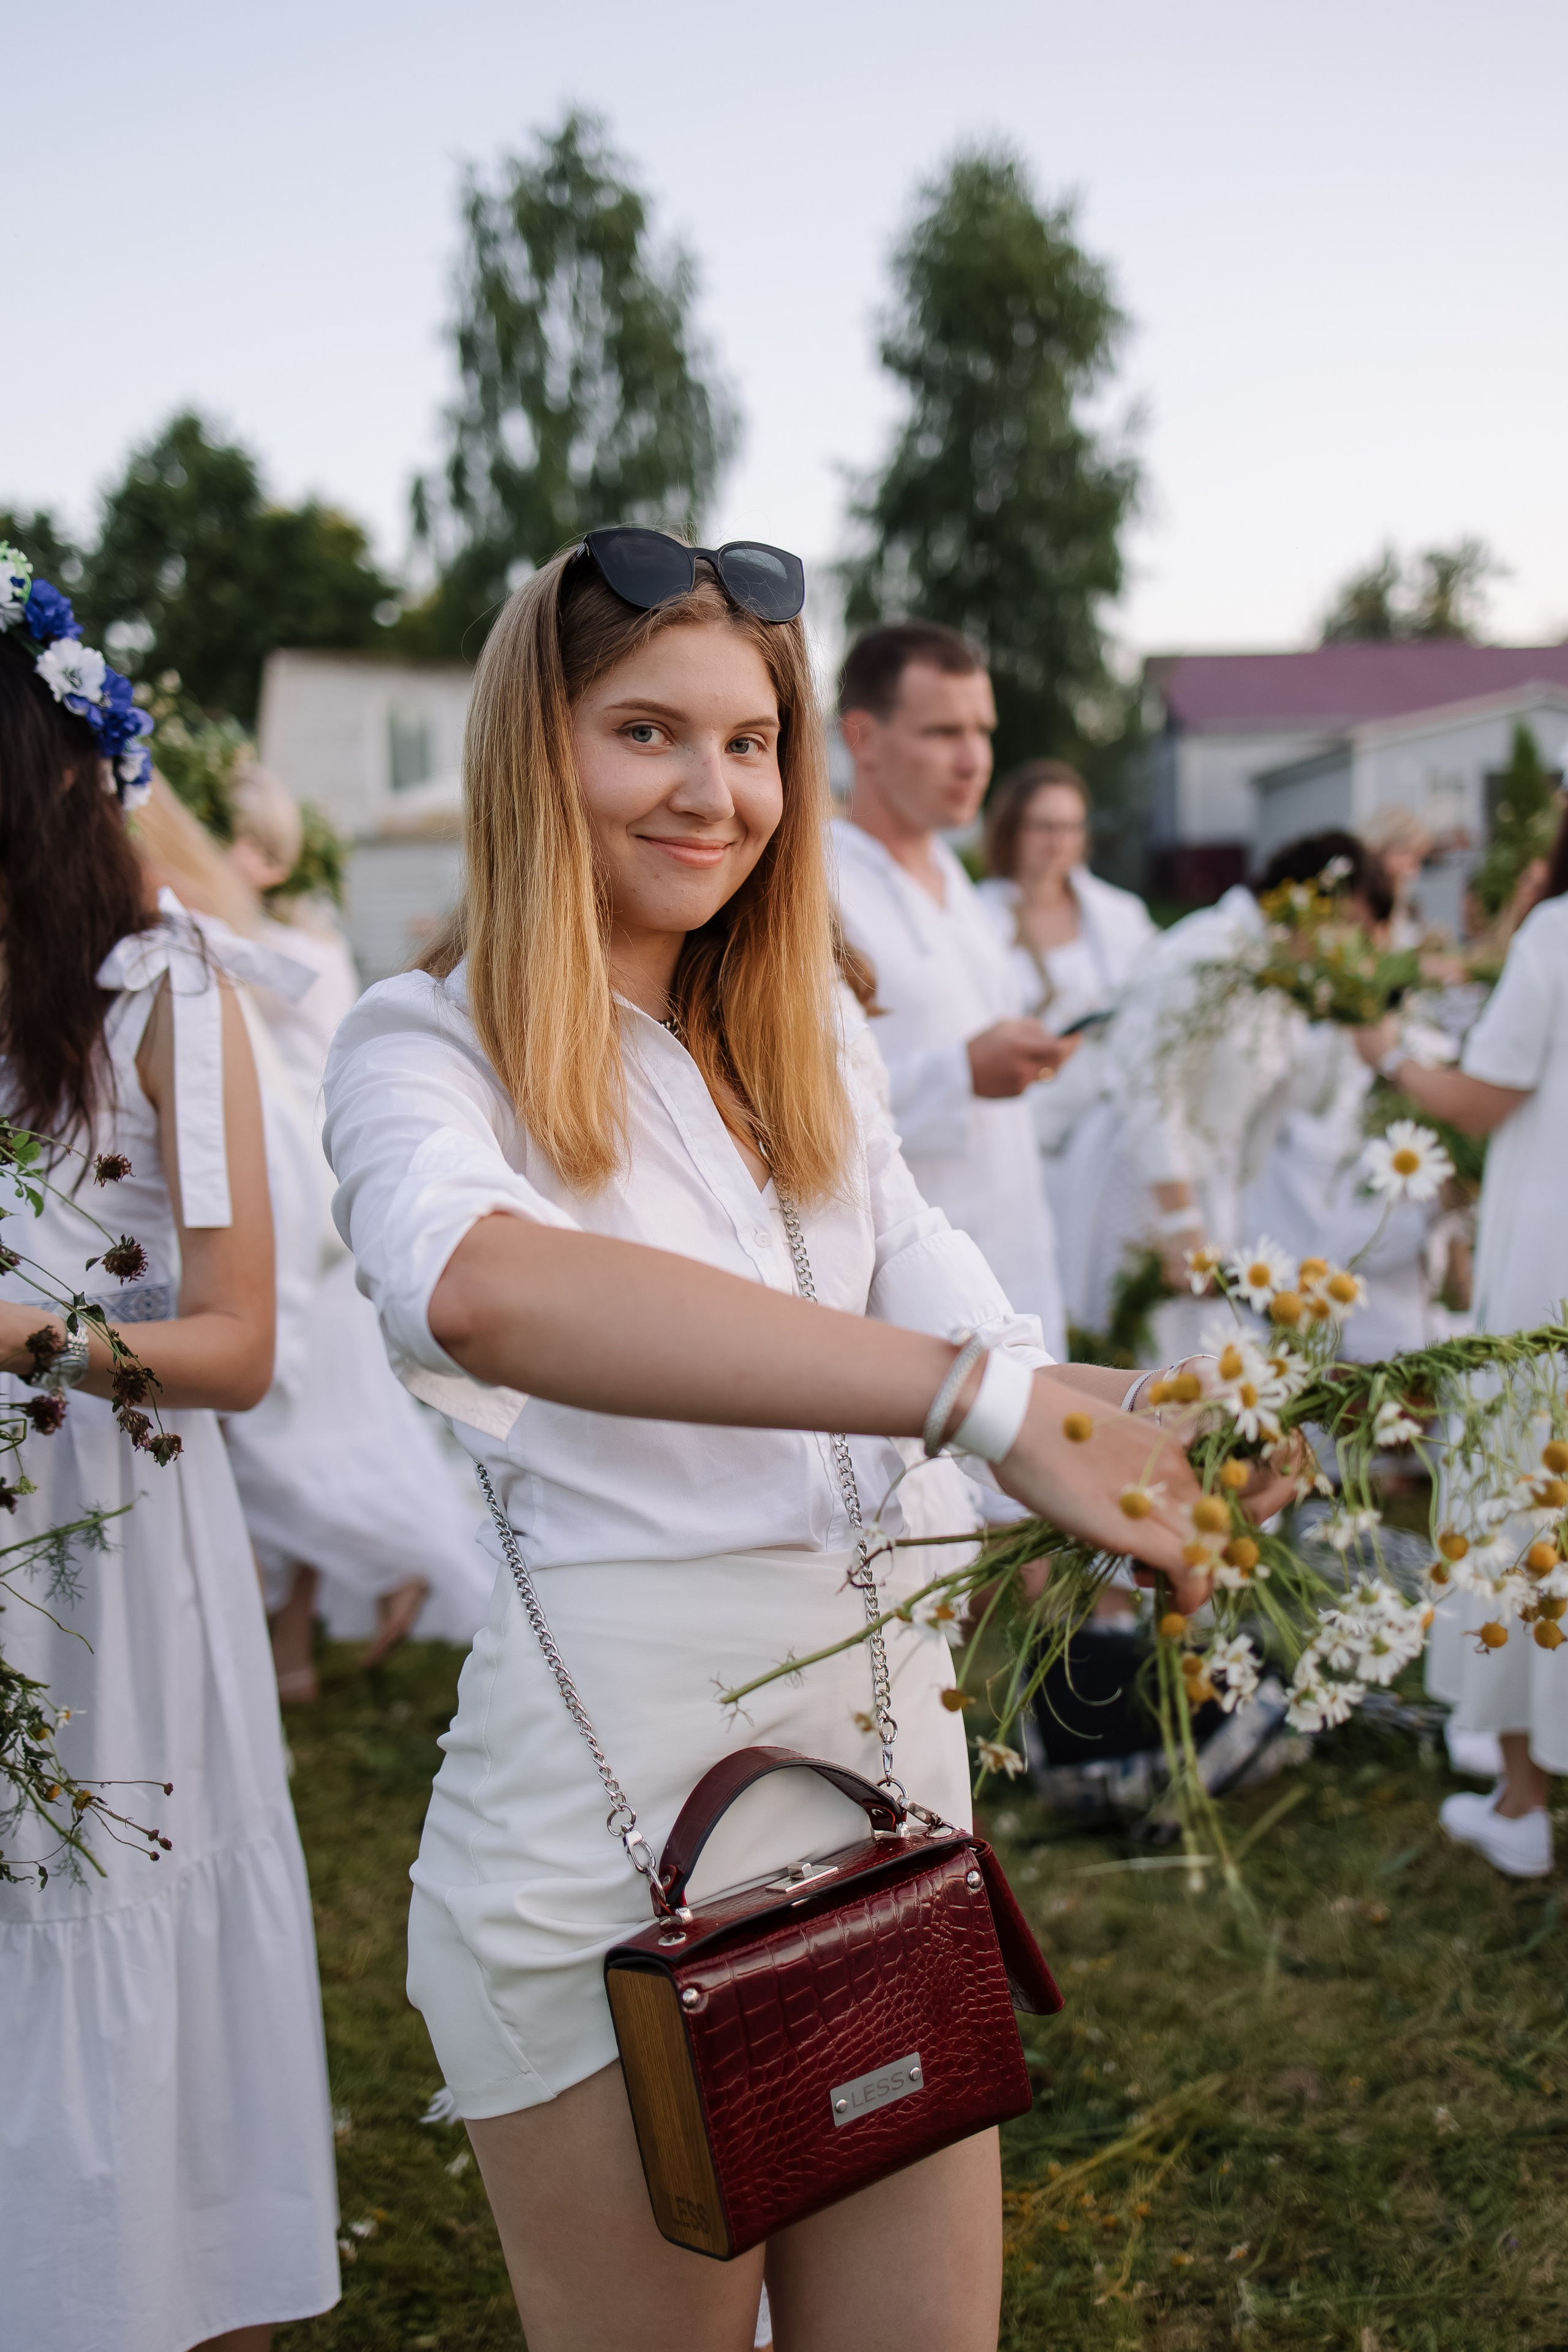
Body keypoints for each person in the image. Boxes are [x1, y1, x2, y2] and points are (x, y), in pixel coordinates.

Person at [322, 532, 1282, 2352]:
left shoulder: (811, 1040)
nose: (714, 792)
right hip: (616, 1842)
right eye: (647, 733)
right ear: (536, 752)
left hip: (883, 1802)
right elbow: (481, 1290)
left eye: (752, 741)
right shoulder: (419, 1047)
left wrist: (1140, 1428)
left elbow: (966, 1309)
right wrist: (971, 1405)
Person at [0, 559, 339, 2348]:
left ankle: (179, 2295)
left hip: (107, 1526)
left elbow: (238, 1342)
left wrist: (29, 1336)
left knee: (114, 1898)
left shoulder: (165, 1001)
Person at [132, 773, 492, 1697]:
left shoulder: (233, 954)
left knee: (285, 1444)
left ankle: (373, 1577)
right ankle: (290, 1647)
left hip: (293, 1210)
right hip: (281, 1201)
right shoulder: (268, 945)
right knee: (299, 1442)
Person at [1359, 807, 1568, 1877]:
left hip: (1552, 1278)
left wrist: (1385, 1051)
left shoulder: (1555, 932)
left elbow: (1485, 1100)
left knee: (1526, 1498)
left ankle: (1525, 1801)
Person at [830, 624, 1075, 1357]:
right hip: (906, 1284)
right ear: (863, 738)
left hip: (1014, 1234)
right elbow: (795, 1102)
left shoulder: (956, 876)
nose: (974, 761)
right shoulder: (817, 885)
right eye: (943, 732)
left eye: (982, 731)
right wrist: (961, 1073)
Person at [1106, 830, 1394, 1357]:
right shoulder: (1209, 950)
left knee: (1191, 1367)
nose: (1348, 944)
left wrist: (1351, 1009)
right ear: (1305, 902)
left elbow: (1312, 1101)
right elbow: (1144, 1083)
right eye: (1347, 925)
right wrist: (1180, 1223)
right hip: (1146, 1188)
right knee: (1133, 1366)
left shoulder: (1282, 976)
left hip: (1212, 1194)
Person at [974, 759, 1156, 1339]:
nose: (1058, 843)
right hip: (1021, 1118)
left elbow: (1151, 1009)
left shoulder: (1119, 916)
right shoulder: (977, 914)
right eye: (1042, 827)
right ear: (1012, 832)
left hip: (1106, 1120)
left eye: (1071, 828)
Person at [1360, 805, 1434, 951]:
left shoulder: (1396, 889)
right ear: (1387, 846)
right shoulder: (1360, 894)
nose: (1415, 871)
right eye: (1412, 856)